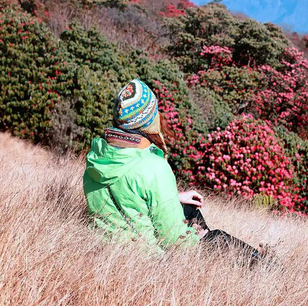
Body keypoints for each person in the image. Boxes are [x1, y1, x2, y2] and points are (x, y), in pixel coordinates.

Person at [83, 79, 261, 262]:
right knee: (218, 238)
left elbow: (126, 192)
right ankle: (269, 268)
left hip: (105, 251)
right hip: (145, 261)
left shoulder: (96, 158)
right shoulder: (154, 167)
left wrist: (174, 197)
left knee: (188, 208)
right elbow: (175, 240)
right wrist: (200, 236)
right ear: (147, 119)